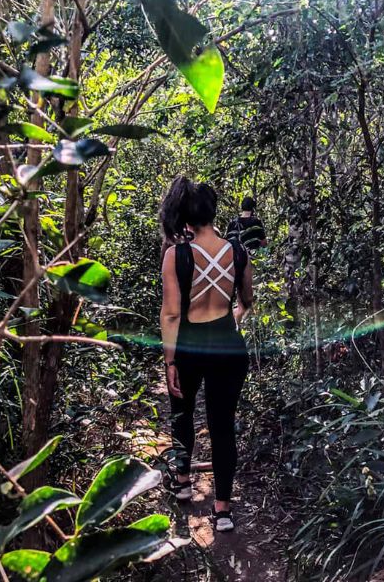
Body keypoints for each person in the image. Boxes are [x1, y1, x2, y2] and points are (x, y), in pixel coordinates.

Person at [159, 175, 254, 532]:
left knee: (182, 413)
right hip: (228, 345)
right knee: (222, 425)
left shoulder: (176, 255)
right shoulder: (238, 252)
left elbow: (170, 313)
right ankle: (223, 509)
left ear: (184, 215)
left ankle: (183, 483)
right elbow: (246, 300)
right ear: (213, 212)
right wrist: (233, 318)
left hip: (188, 346)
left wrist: (170, 361)